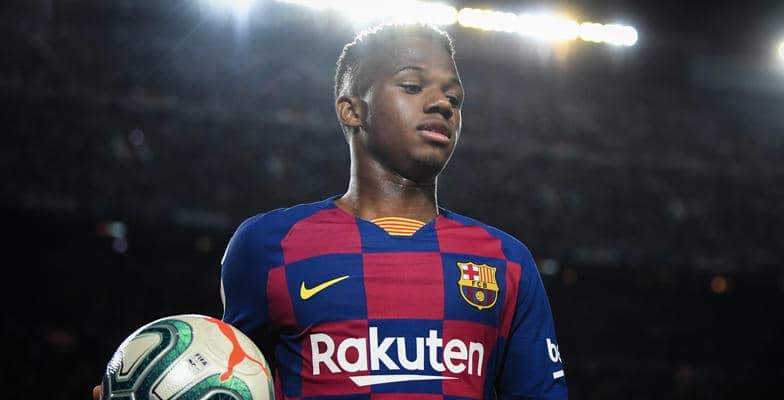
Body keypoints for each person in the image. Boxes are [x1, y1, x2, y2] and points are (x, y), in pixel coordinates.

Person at [93, 21, 568, 400]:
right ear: (352, 110)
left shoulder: (505, 261)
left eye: (455, 97)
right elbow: (231, 378)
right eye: (411, 85)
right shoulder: (268, 245)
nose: (443, 103)